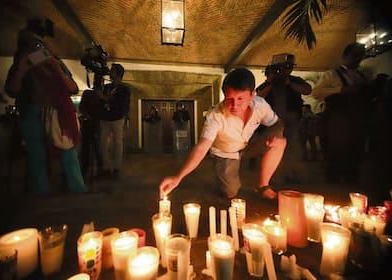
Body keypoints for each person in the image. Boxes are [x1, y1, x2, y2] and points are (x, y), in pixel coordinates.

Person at [159, 68, 286, 200]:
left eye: (240, 98)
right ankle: (225, 178)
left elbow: (278, 123)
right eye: (229, 99)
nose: (234, 105)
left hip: (248, 145)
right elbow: (202, 148)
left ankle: (263, 186)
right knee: (231, 193)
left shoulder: (260, 105)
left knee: (280, 141)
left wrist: (275, 134)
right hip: (225, 152)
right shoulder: (215, 115)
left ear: (253, 94)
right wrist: (178, 177)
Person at [4, 18, 87, 194]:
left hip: (56, 111)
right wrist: (21, 70)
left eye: (39, 45)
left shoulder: (54, 61)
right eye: (32, 45)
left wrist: (56, 69)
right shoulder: (21, 64)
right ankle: (40, 192)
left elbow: (73, 87)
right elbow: (12, 90)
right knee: (37, 154)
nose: (37, 49)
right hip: (31, 109)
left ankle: (76, 189)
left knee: (67, 150)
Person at [312, 42, 370, 183]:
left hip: (358, 116)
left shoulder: (361, 75)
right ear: (345, 56)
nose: (358, 60)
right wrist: (340, 90)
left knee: (357, 146)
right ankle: (333, 178)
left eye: (360, 57)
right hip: (338, 117)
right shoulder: (331, 74)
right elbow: (316, 92)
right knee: (338, 147)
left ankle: (352, 176)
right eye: (355, 56)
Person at [256, 53, 312, 183]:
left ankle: (293, 175)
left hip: (291, 121)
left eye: (289, 67)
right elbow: (257, 97)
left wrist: (289, 83)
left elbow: (308, 90)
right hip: (272, 123)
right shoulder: (269, 83)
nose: (286, 70)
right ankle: (273, 176)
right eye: (283, 67)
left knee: (293, 148)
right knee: (272, 148)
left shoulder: (294, 80)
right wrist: (270, 83)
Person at [98, 63, 131, 177]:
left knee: (117, 143)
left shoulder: (124, 89)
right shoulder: (107, 87)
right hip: (105, 118)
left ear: (118, 73)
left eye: (112, 70)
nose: (110, 72)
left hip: (117, 118)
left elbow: (121, 104)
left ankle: (116, 167)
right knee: (103, 143)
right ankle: (106, 167)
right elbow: (100, 99)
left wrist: (105, 98)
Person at [79, 72, 104, 181]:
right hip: (89, 124)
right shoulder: (88, 93)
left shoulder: (99, 95)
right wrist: (88, 116)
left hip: (95, 124)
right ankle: (86, 170)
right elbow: (82, 107)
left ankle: (96, 170)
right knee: (88, 149)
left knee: (95, 148)